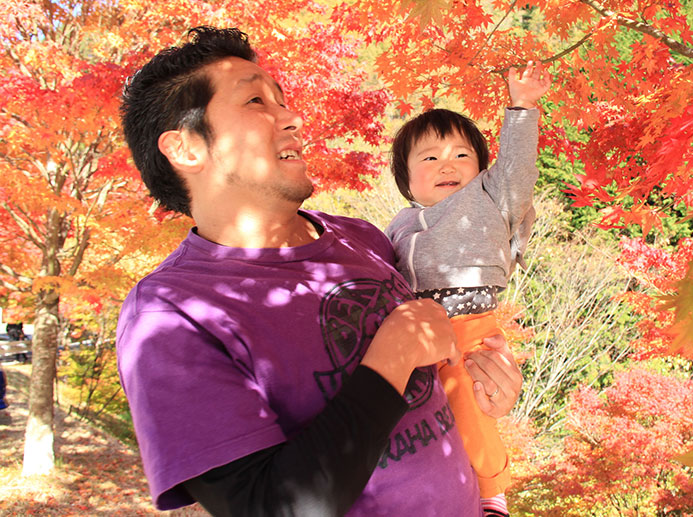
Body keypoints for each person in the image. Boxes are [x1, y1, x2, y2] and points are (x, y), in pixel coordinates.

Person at [116, 26, 523, 516]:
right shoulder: (169, 317)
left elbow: (439, 379)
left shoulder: (362, 237)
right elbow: (271, 507)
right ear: (186, 149)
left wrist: (488, 391)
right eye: (255, 102)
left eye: (282, 99)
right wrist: (391, 358)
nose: (291, 117)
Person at [385, 62, 550, 516]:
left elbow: (517, 170)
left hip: (470, 321)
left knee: (470, 403)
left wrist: (522, 107)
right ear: (407, 178)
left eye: (462, 155)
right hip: (414, 332)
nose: (447, 165)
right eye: (430, 157)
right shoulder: (399, 224)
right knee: (417, 421)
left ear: (481, 170)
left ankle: (492, 490)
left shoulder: (491, 198)